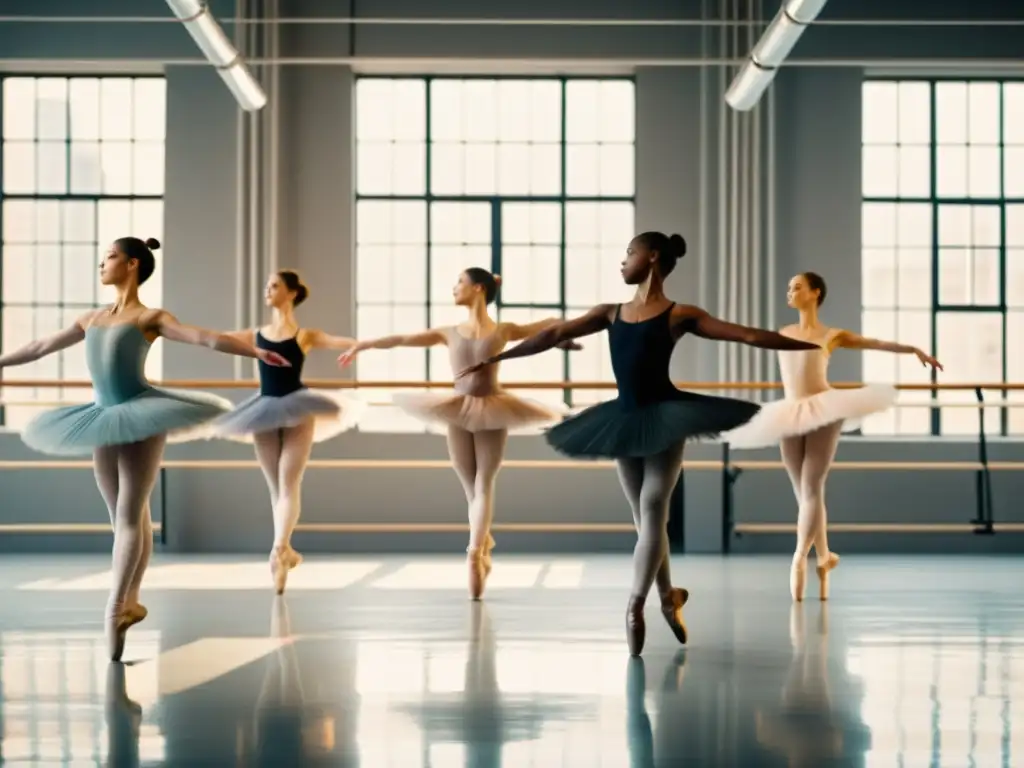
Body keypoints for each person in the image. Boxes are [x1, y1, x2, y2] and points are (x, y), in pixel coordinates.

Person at [455, 232, 819, 656]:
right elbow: (553, 333)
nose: (622, 262)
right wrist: (500, 358)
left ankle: (634, 605)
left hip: (664, 416)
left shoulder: (679, 313)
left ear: (652, 257)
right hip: (624, 419)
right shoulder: (610, 313)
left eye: (629, 254)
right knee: (647, 518)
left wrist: (812, 344)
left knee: (651, 511)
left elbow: (749, 337)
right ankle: (667, 596)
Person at [0, 237, 290, 661]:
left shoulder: (150, 317)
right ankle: (130, 601)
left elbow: (205, 338)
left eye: (111, 257)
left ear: (133, 264)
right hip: (100, 415)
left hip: (141, 414)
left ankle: (115, 607)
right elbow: (40, 346)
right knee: (128, 518)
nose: (103, 264)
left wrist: (257, 351)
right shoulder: (91, 319)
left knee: (129, 513)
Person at [339, 268, 578, 600]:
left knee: (483, 484)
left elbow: (547, 323)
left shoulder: (505, 329)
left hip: (494, 406)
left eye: (459, 283)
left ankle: (474, 551)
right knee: (472, 487)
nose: (454, 288)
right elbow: (403, 339)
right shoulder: (448, 332)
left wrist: (564, 335)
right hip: (457, 408)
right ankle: (482, 540)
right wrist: (363, 345)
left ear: (478, 288)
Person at [725, 272, 942, 601]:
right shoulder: (784, 333)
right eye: (788, 287)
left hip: (824, 409)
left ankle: (799, 558)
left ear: (815, 293)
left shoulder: (832, 334)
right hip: (789, 412)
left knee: (811, 488)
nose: (790, 292)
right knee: (804, 495)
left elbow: (875, 343)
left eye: (796, 286)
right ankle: (824, 557)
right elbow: (750, 338)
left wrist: (913, 349)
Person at [212, 270, 364, 594]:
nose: (268, 290)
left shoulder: (305, 335)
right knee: (276, 488)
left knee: (288, 483)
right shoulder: (256, 334)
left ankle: (279, 549)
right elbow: (218, 339)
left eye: (275, 286)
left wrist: (356, 349)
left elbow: (345, 341)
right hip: (264, 409)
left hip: (298, 407)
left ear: (292, 293)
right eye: (267, 285)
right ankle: (284, 550)